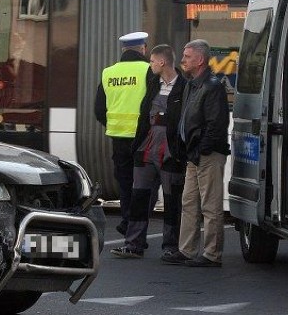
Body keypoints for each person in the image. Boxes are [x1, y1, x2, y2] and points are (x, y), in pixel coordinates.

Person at [111, 44, 186, 259]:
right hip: (146, 146)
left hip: (170, 150)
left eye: (152, 61)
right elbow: (145, 114)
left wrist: (181, 150)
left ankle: (171, 246)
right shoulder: (152, 82)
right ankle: (134, 244)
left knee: (172, 200)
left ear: (162, 62)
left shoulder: (184, 86)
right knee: (139, 196)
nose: (149, 64)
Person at [162, 39, 230, 268]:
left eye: (187, 56)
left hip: (207, 155)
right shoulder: (192, 84)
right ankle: (187, 250)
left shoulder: (212, 86)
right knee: (189, 202)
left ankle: (212, 254)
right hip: (194, 154)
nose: (183, 60)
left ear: (200, 60)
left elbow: (216, 124)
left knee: (210, 205)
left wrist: (201, 150)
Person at [95, 31, 151, 236]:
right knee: (144, 183)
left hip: (118, 138)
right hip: (144, 137)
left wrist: (114, 125)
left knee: (126, 182)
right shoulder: (148, 70)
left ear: (124, 50)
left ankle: (127, 219)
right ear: (143, 48)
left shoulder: (109, 72)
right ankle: (136, 225)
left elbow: (99, 109)